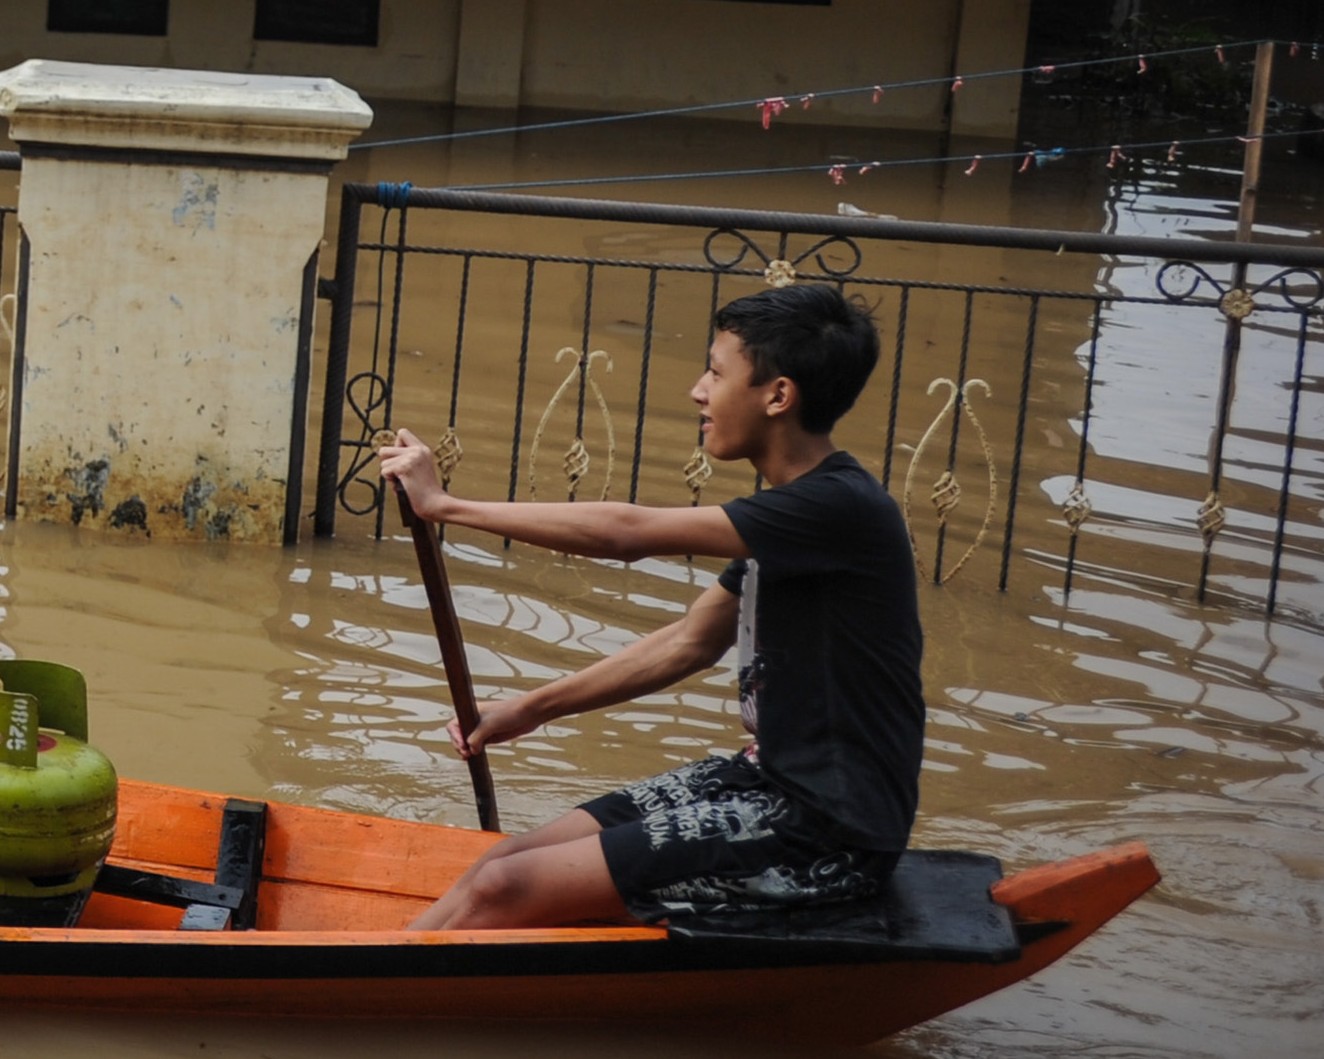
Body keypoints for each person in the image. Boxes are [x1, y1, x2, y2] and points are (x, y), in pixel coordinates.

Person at [379, 281, 924, 934]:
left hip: (830, 831)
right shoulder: (790, 516)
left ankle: (343, 1001)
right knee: (513, 856)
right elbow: (689, 641)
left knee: (504, 884)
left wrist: (444, 507)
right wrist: (527, 709)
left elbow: (625, 534)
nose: (698, 390)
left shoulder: (840, 509)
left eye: (717, 373)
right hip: (764, 781)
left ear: (779, 396)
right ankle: (378, 961)